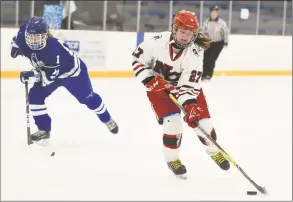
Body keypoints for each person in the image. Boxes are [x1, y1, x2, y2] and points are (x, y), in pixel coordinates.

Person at [131, 10, 230, 179]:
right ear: (174, 29)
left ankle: (214, 151)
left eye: (190, 33)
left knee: (204, 122)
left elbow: (188, 85)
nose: (185, 36)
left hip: (186, 89)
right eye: (182, 31)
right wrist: (149, 80)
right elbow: (137, 60)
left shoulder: (195, 52)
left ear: (195, 34)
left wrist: (190, 105)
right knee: (173, 123)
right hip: (158, 89)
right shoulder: (157, 41)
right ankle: (172, 159)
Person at [11, 16, 119, 145]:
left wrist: (32, 74)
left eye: (38, 37)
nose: (34, 41)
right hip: (50, 71)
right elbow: (16, 40)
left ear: (45, 35)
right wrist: (15, 48)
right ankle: (44, 129)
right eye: (31, 37)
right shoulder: (23, 34)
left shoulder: (52, 49)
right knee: (35, 96)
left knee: (88, 99)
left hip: (73, 74)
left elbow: (50, 76)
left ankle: (107, 118)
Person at [202, 5, 229, 81]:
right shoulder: (206, 22)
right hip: (208, 42)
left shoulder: (222, 23)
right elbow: (202, 31)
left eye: (215, 13)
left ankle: (208, 74)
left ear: (217, 13)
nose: (213, 14)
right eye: (212, 12)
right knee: (205, 58)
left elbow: (225, 32)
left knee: (211, 58)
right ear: (210, 13)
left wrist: (226, 41)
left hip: (218, 43)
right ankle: (204, 74)